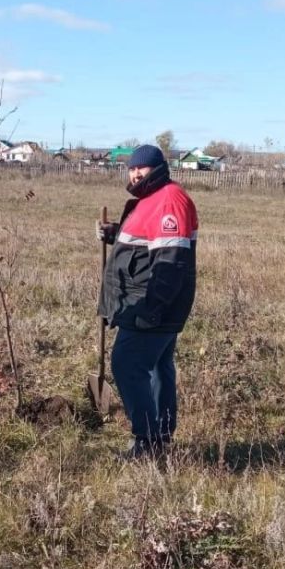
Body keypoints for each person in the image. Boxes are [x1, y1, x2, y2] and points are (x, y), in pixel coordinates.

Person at [97, 144, 198, 460]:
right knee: (156, 367)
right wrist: (116, 232)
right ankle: (161, 437)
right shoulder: (150, 199)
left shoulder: (169, 199)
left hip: (150, 303)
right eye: (131, 168)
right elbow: (148, 240)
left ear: (157, 168)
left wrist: (152, 310)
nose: (135, 173)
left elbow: (172, 261)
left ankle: (147, 441)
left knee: (128, 364)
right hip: (147, 300)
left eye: (142, 168)